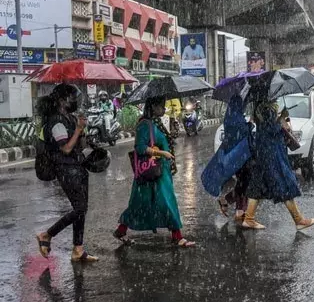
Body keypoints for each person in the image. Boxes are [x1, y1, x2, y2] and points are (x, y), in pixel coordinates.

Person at [113, 96, 195, 248]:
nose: (163, 109)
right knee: (148, 204)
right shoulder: (144, 125)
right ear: (152, 107)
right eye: (161, 106)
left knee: (149, 203)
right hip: (150, 173)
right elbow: (140, 148)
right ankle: (177, 237)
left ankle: (176, 235)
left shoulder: (156, 123)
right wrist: (162, 154)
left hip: (159, 172)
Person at [35, 84, 98, 262]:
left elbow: (80, 145)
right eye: (72, 97)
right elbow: (66, 148)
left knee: (82, 209)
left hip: (77, 167)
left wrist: (81, 129)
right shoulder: (56, 121)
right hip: (65, 169)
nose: (75, 101)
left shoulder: (69, 118)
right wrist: (78, 129)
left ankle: (78, 249)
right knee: (79, 208)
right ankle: (46, 235)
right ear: (62, 100)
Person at [243, 99, 314, 230]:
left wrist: (279, 117)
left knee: (259, 185)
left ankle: (249, 218)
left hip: (264, 152)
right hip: (272, 153)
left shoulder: (260, 107)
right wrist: (281, 118)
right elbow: (272, 129)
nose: (276, 98)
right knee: (285, 184)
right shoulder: (267, 109)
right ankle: (298, 220)